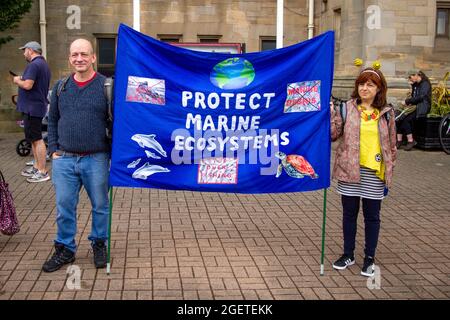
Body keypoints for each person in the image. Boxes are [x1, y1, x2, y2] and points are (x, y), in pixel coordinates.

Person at [43, 39, 110, 273]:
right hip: (65, 159)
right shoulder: (60, 87)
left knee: (100, 205)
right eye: (74, 55)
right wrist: (53, 149)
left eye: (84, 54)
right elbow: (51, 121)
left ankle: (99, 244)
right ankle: (65, 249)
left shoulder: (106, 87)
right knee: (64, 206)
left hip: (96, 158)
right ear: (70, 58)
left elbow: (118, 123)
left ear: (93, 58)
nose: (79, 58)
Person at [330, 67, 397, 277]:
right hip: (349, 169)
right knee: (349, 214)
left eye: (370, 84)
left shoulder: (387, 113)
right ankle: (348, 253)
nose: (364, 88)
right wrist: (330, 113)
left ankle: (369, 258)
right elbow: (333, 135)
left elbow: (392, 145)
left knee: (372, 216)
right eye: (361, 84)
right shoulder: (347, 108)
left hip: (374, 172)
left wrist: (389, 171)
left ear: (379, 89)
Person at [13, 41, 51, 183]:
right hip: (34, 107)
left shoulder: (34, 65)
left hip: (32, 108)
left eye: (24, 51)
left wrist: (17, 80)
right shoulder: (42, 64)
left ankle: (42, 171)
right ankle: (36, 167)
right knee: (34, 139)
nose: (24, 54)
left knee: (37, 139)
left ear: (30, 50)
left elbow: (28, 85)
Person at [396, 69, 432, 151]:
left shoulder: (425, 84)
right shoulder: (416, 84)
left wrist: (407, 101)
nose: (410, 79)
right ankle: (399, 140)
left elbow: (421, 97)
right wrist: (412, 86)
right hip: (414, 106)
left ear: (416, 75)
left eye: (410, 77)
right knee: (399, 117)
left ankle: (410, 141)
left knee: (406, 119)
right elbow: (413, 97)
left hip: (422, 107)